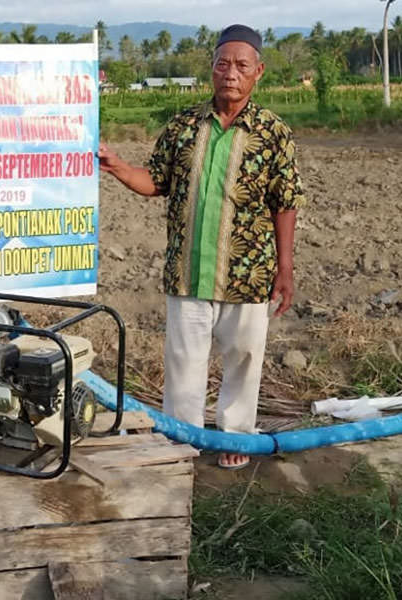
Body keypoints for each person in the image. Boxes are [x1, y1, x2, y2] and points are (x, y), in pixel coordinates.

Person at [97, 25, 304, 470]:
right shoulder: (184, 126)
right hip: (188, 271)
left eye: (241, 66)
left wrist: (285, 267)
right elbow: (156, 181)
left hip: (248, 273)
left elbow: (284, 202)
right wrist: (116, 166)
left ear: (258, 73)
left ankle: (236, 438)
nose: (230, 73)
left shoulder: (273, 133)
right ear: (211, 69)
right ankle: (181, 440)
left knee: (244, 361)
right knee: (184, 367)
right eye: (222, 63)